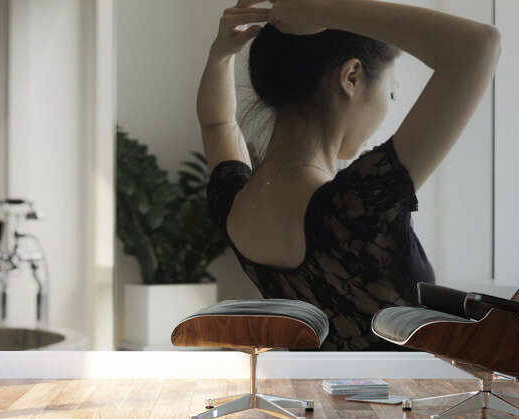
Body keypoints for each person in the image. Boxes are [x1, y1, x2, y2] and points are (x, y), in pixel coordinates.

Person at [198, 0, 500, 350]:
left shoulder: (235, 206)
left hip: (318, 401)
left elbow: (216, 123)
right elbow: (479, 44)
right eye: (391, 92)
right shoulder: (358, 205)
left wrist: (221, 52)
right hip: (399, 400)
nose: (388, 105)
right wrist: (321, 11)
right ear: (351, 77)